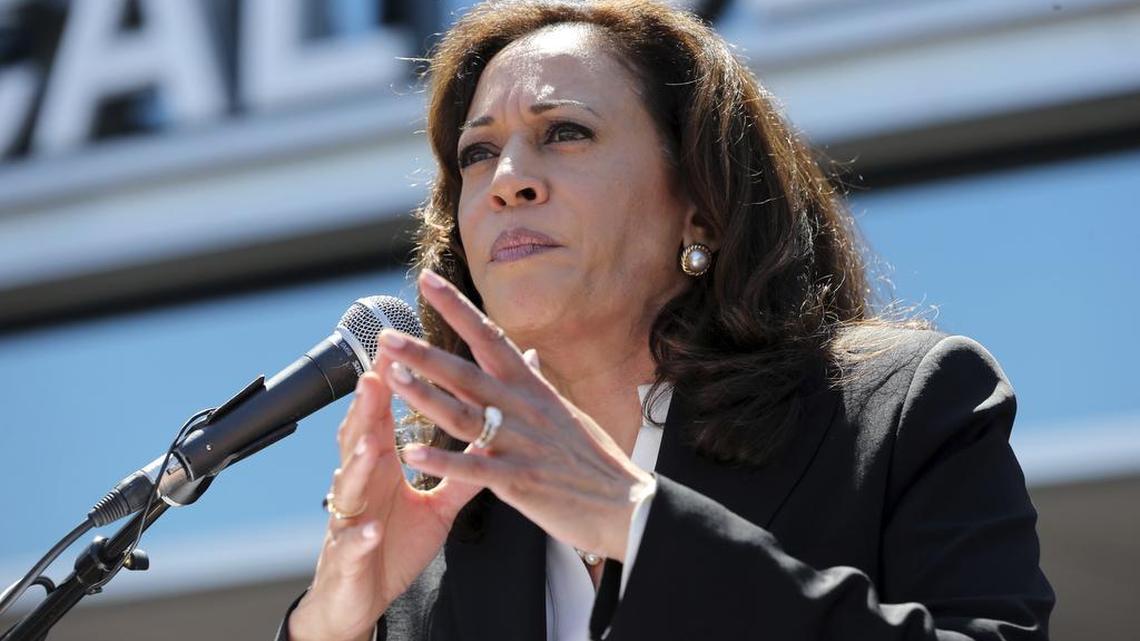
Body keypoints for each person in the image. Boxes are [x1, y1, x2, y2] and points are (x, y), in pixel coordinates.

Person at [279, 1, 1055, 639]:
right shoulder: (446, 521)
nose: (507, 180)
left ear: (700, 209)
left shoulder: (900, 408)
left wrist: (636, 522)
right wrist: (334, 623)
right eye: (478, 154)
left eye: (565, 133)